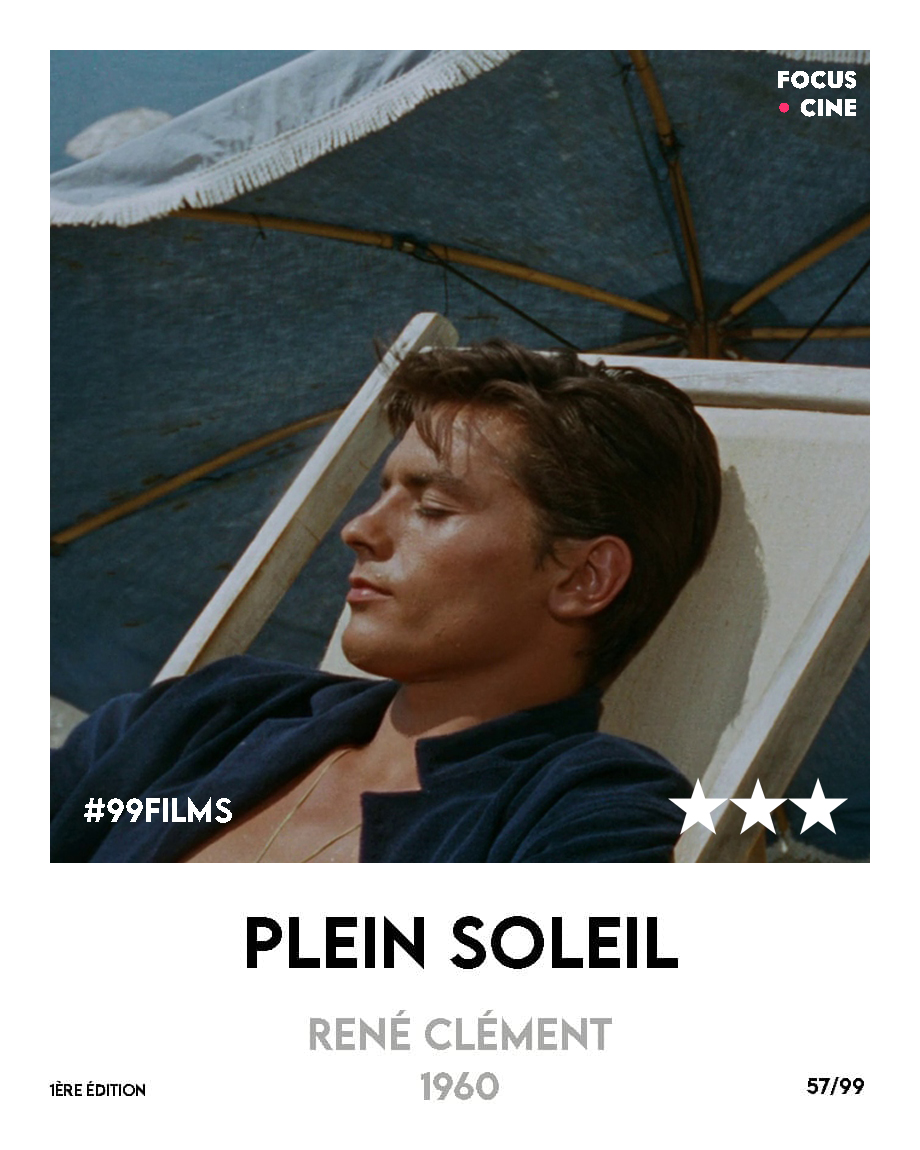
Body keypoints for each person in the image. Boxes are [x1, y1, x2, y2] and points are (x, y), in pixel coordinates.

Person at [51, 340, 722, 863]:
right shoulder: (213, 718)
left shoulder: (580, 811)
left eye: (433, 507)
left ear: (583, 577)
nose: (358, 529)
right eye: (383, 493)